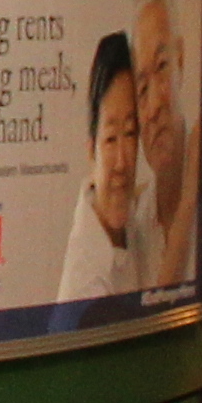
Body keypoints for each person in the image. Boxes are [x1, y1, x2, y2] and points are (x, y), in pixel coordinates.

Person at [56, 31, 148, 302]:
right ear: (91, 151)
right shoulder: (85, 287)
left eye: (131, 133)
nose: (122, 162)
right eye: (109, 139)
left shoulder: (136, 222)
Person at [131, 0, 201, 294]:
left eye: (162, 67)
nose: (155, 105)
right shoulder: (134, 224)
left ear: (182, 61)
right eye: (142, 88)